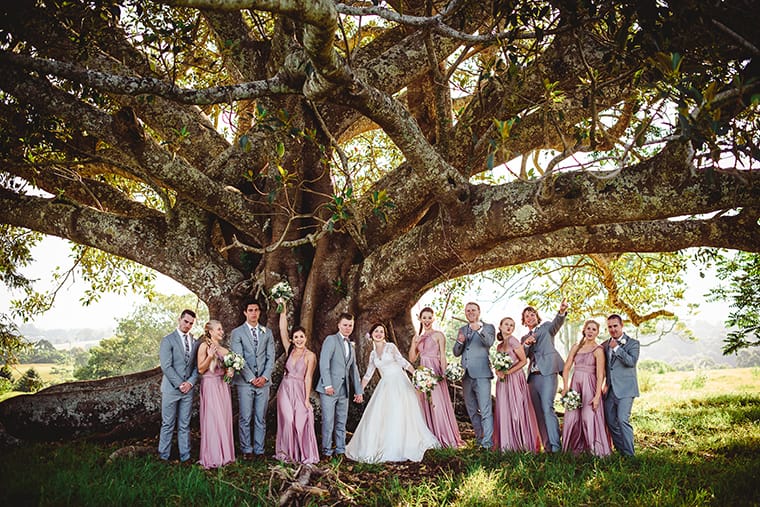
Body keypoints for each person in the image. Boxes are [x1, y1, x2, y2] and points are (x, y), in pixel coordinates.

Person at [346, 323, 440, 463]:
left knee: (400, 411)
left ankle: (404, 444)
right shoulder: (372, 354)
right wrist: (360, 391)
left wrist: (418, 375)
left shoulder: (390, 347)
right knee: (383, 414)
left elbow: (403, 362)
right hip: (385, 385)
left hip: (399, 382)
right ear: (371, 335)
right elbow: (368, 375)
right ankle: (384, 444)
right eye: (376, 331)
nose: (379, 333)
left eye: (381, 331)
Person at [409, 307, 463, 448]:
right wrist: (414, 343)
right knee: (424, 404)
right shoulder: (418, 338)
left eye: (429, 317)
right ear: (420, 319)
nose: (426, 320)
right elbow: (412, 358)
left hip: (435, 371)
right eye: (424, 317)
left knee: (437, 403)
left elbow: (443, 356)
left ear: (433, 319)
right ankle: (429, 437)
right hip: (423, 372)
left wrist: (445, 373)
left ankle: (443, 435)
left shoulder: (439, 335)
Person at [274, 299, 319, 464]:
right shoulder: (289, 349)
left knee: (300, 421)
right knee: (288, 419)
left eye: (301, 336)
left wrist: (306, 399)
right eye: (296, 337)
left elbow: (308, 378)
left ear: (305, 338)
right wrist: (283, 310)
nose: (299, 339)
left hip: (300, 390)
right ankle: (286, 453)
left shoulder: (310, 356)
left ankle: (301, 453)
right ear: (292, 339)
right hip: (285, 389)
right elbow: (282, 329)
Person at [521, 298, 568, 453]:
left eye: (532, 314)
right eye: (527, 316)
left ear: (537, 316)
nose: (530, 317)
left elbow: (557, 324)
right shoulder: (523, 339)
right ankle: (547, 446)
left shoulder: (546, 328)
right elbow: (523, 356)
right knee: (539, 412)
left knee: (548, 408)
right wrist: (527, 344)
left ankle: (556, 447)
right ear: (524, 321)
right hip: (532, 378)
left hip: (548, 373)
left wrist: (561, 312)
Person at [230, 300, 275, 460]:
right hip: (244, 382)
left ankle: (259, 449)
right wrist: (250, 378)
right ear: (245, 312)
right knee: (245, 416)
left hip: (264, 382)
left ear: (260, 312)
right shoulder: (237, 333)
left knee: (260, 417)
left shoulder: (267, 332)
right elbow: (238, 357)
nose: (254, 313)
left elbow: (271, 357)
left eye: (256, 310)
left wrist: (264, 377)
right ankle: (246, 449)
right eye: (250, 310)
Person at [315, 312, 364, 459]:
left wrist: (358, 391)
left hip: (344, 390)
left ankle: (341, 450)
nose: (348, 328)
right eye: (345, 325)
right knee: (328, 421)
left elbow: (353, 369)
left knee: (341, 421)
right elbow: (324, 363)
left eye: (350, 325)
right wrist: (327, 384)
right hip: (329, 389)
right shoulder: (331, 340)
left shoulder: (351, 344)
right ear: (339, 325)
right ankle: (326, 451)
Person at [560, 320, 612, 457]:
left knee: (588, 417)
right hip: (575, 386)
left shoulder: (598, 349)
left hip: (590, 386)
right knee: (572, 418)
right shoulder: (576, 347)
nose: (590, 331)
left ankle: (595, 452)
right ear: (584, 329)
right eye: (588, 328)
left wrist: (597, 396)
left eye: (594, 329)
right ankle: (573, 451)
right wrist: (565, 387)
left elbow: (601, 374)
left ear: (597, 333)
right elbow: (566, 368)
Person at [493, 317, 540, 453]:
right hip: (503, 382)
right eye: (506, 324)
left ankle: (521, 444)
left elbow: (523, 361)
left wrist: (508, 371)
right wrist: (498, 371)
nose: (509, 327)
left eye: (512, 325)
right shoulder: (499, 346)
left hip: (514, 379)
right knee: (504, 409)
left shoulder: (514, 341)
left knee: (516, 410)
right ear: (500, 326)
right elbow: (498, 363)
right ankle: (507, 444)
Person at [453, 301, 496, 449]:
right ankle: (479, 438)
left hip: (482, 374)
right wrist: (460, 341)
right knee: (471, 410)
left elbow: (489, 342)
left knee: (485, 410)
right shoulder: (462, 329)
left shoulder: (488, 327)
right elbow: (456, 352)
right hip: (466, 376)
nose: (470, 312)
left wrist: (479, 330)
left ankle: (487, 443)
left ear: (479, 312)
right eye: (468, 310)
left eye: (473, 310)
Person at [158, 309, 199, 463]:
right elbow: (166, 366)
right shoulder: (168, 340)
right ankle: (163, 456)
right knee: (168, 424)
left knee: (184, 424)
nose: (187, 325)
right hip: (171, 389)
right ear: (179, 320)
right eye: (185, 321)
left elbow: (197, 366)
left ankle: (185, 456)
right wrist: (179, 384)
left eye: (191, 323)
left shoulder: (194, 341)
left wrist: (189, 383)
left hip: (188, 390)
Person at [196, 320, 236, 468]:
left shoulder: (225, 350)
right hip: (210, 385)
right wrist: (209, 356)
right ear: (210, 331)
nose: (221, 332)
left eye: (221, 329)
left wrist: (230, 371)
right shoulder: (204, 346)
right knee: (213, 419)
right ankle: (213, 456)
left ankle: (226, 455)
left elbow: (228, 368)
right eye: (218, 329)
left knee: (224, 418)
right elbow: (200, 369)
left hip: (222, 385)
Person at [602, 314, 640, 456]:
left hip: (626, 390)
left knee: (623, 420)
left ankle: (630, 455)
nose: (613, 329)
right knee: (611, 422)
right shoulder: (605, 345)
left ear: (622, 325)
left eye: (615, 326)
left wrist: (617, 348)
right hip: (610, 390)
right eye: (610, 327)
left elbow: (631, 362)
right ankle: (621, 451)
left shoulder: (633, 343)